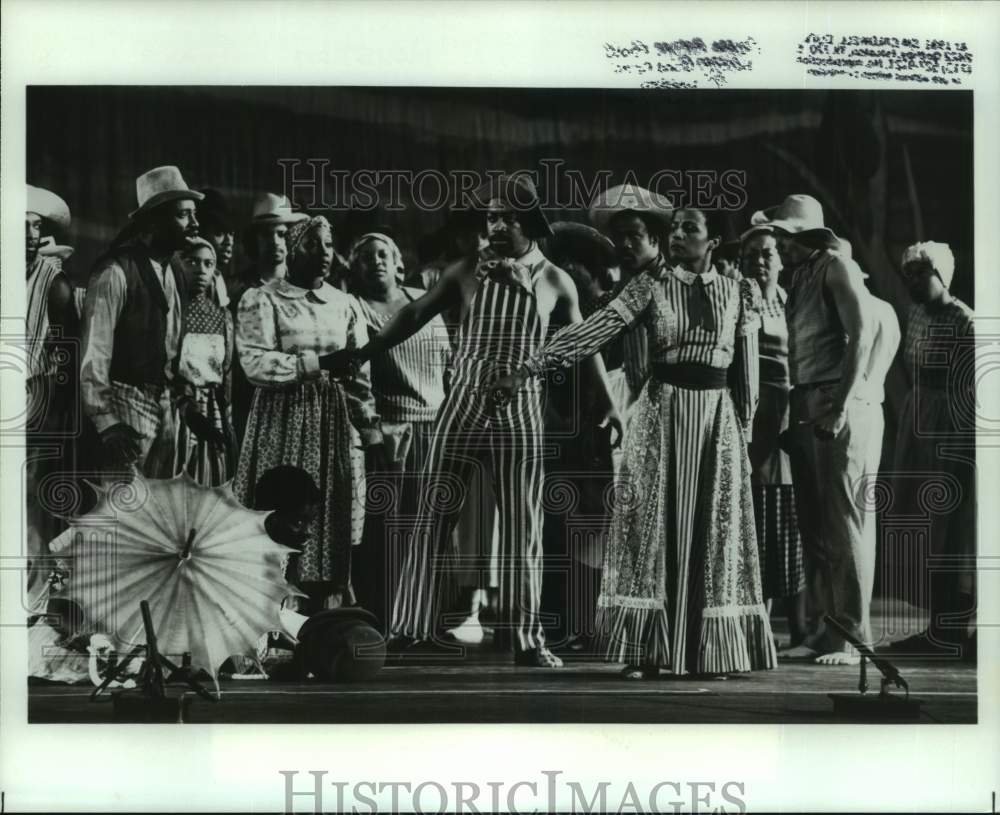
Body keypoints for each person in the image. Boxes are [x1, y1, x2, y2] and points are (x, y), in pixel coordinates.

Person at [327, 174, 622, 668]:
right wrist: (365, 352)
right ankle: (410, 628)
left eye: (507, 217)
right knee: (432, 513)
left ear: (528, 222)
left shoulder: (554, 279)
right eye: (491, 217)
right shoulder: (467, 270)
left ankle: (527, 639)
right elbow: (415, 314)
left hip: (520, 403)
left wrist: (608, 402)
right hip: (462, 399)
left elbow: (582, 342)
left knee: (523, 524)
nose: (497, 226)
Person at [493, 197, 774, 679]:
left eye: (689, 228)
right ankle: (648, 651)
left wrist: (743, 435)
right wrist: (529, 367)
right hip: (661, 415)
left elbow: (748, 375)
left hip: (716, 422)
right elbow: (591, 333)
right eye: (675, 228)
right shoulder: (650, 286)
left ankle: (710, 652)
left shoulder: (740, 292)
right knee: (652, 531)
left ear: (713, 240)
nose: (677, 236)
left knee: (712, 533)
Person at [753, 194, 887, 665]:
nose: (780, 246)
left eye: (785, 238)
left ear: (806, 236)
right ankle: (827, 632)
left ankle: (853, 638)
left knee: (842, 521)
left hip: (836, 399)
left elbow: (861, 335)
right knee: (814, 524)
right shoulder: (802, 275)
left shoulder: (835, 267)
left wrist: (841, 407)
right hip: (807, 399)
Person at [233, 214, 381, 613]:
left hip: (332, 423)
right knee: (280, 510)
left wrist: (369, 430)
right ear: (291, 250)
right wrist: (318, 364)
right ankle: (270, 610)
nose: (324, 253)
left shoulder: (345, 304)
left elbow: (359, 376)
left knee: (328, 516)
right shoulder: (263, 299)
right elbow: (254, 363)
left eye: (328, 245)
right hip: (281, 418)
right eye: (312, 244)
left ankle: (322, 614)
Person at [346, 231, 452, 632]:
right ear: (354, 268)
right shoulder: (355, 308)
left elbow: (447, 361)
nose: (376, 261)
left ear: (398, 263)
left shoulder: (422, 300)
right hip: (391, 434)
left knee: (432, 527)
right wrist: (372, 428)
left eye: (383, 254)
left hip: (435, 426)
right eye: (365, 256)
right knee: (390, 532)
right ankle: (386, 619)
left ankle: (427, 621)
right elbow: (357, 376)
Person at [80, 166, 214, 480]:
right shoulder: (115, 272)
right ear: (154, 220)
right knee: (124, 504)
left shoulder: (175, 271)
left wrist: (185, 404)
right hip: (124, 405)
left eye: (194, 214)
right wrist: (107, 422)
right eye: (183, 215)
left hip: (166, 409)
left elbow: (172, 349)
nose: (195, 224)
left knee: (161, 504)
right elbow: (94, 354)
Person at [887, 241, 976, 656]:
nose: (914, 281)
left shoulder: (964, 320)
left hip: (952, 427)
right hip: (918, 420)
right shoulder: (916, 314)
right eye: (909, 274)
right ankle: (935, 624)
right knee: (920, 519)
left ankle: (952, 627)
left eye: (922, 273)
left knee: (949, 526)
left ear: (942, 274)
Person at [740, 225, 807, 648]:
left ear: (780, 259)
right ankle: (757, 624)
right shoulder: (736, 299)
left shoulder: (790, 300)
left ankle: (799, 627)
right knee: (757, 512)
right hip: (751, 414)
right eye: (751, 255)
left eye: (767, 253)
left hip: (788, 414)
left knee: (790, 515)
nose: (760, 262)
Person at [25, 184, 80, 615]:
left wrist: (57, 413)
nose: (30, 234)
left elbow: (66, 355)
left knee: (31, 496)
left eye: (35, 226)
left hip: (36, 395)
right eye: (22, 225)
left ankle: (37, 593)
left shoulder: (53, 282)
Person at [230, 193, 308, 443]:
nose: (275, 242)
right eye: (266, 235)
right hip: (251, 402)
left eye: (282, 234)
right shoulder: (237, 290)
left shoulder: (306, 287)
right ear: (254, 240)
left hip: (299, 402)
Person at [171, 238, 236, 486]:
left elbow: (226, 370)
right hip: (178, 406)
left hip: (213, 407)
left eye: (208, 264)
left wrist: (224, 415)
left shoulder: (222, 316)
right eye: (193, 262)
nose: (200, 270)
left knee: (210, 475)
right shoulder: (173, 310)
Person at [196, 188, 237, 305]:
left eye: (231, 234)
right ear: (201, 233)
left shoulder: (218, 278)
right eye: (219, 233)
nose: (229, 242)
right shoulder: (194, 279)